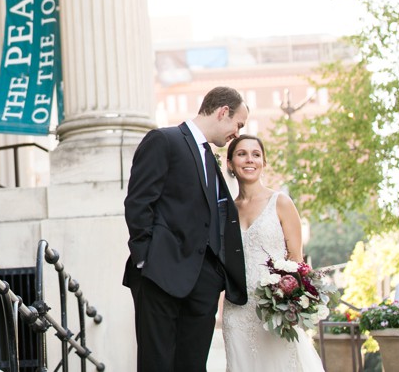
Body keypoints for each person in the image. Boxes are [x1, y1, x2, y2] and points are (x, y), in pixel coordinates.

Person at [123, 86, 249, 371]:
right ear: (222, 112)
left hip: (202, 286)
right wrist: (146, 260)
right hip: (159, 276)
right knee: (157, 364)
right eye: (238, 124)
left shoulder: (209, 157)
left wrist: (214, 275)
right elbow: (139, 202)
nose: (237, 133)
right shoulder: (164, 140)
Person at [221, 134, 324, 371]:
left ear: (264, 163)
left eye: (256, 155)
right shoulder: (225, 210)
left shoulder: (281, 203)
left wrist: (289, 302)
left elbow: (297, 261)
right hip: (236, 311)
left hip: (275, 311)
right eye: (241, 154)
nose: (250, 160)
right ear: (230, 163)